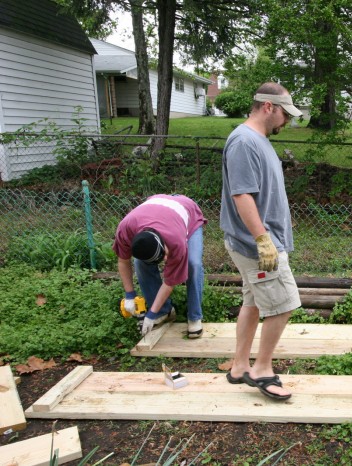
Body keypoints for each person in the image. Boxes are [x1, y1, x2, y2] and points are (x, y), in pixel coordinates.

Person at [220, 82, 303, 401]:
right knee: (283, 304)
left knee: (253, 301)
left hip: (260, 239)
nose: (288, 121)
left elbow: (263, 192)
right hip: (258, 246)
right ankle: (262, 369)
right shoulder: (243, 142)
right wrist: (264, 240)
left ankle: (240, 366)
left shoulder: (259, 140)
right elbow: (241, 195)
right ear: (269, 107)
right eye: (285, 114)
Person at [113, 194, 207, 338]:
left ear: (164, 243)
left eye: (164, 254)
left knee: (193, 264)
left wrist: (150, 315)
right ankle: (164, 312)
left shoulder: (176, 241)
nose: (166, 259)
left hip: (187, 212)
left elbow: (169, 283)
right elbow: (123, 261)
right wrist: (130, 295)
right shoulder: (126, 229)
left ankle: (194, 317)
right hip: (154, 209)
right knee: (139, 262)